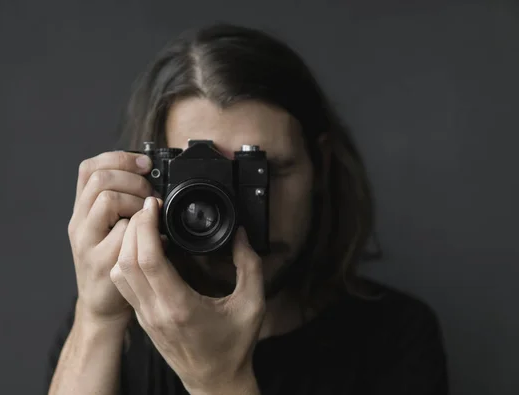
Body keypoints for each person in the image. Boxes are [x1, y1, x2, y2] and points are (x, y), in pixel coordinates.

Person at [46, 23, 448, 395]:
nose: (234, 210)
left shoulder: (394, 335)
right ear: (157, 181)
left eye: (265, 171)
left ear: (320, 166)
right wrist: (97, 319)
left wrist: (219, 380)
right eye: (206, 182)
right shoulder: (114, 328)